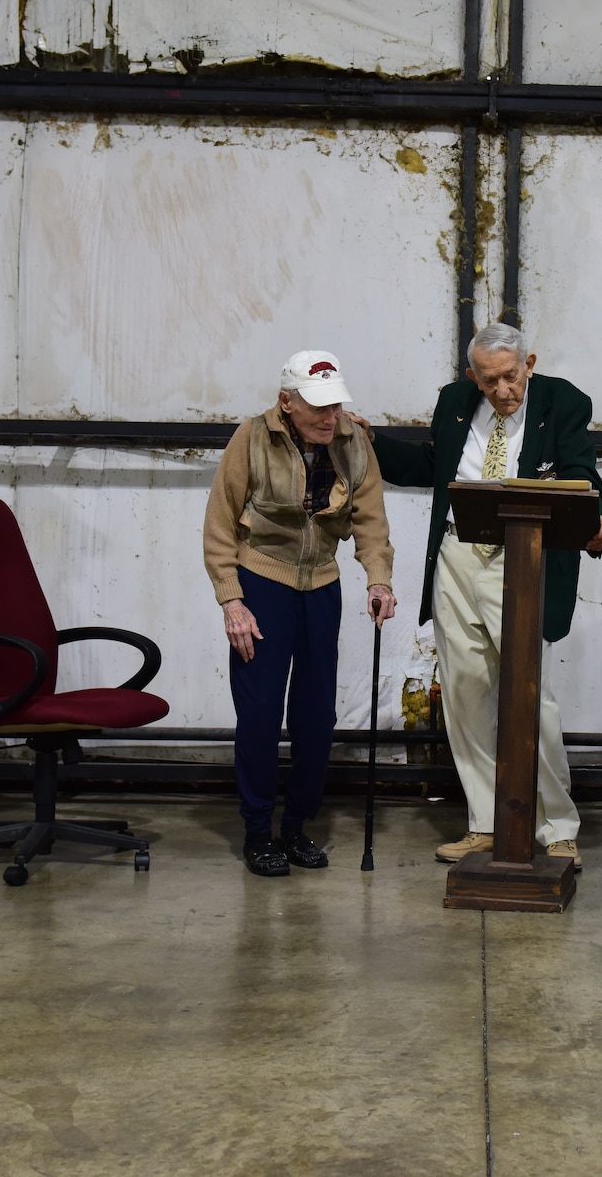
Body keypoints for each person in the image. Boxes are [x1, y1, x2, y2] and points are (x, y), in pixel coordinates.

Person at [363, 324, 602, 869]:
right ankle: (483, 821)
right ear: (471, 377)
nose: (502, 390)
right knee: (465, 691)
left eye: (510, 376)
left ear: (530, 362)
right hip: (456, 554)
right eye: (489, 380)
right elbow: (434, 467)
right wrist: (370, 441)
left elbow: (580, 472)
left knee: (530, 696)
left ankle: (556, 825)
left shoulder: (561, 401)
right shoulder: (455, 402)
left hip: (521, 558)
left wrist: (599, 520)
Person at [203, 351, 395, 878]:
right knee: (261, 714)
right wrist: (231, 600)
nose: (329, 418)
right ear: (286, 403)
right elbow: (221, 524)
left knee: (316, 717)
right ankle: (258, 830)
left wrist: (379, 578)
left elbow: (371, 519)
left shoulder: (352, 441)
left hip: (322, 586)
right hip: (263, 582)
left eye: (335, 406)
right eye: (317, 408)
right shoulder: (251, 437)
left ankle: (297, 826)